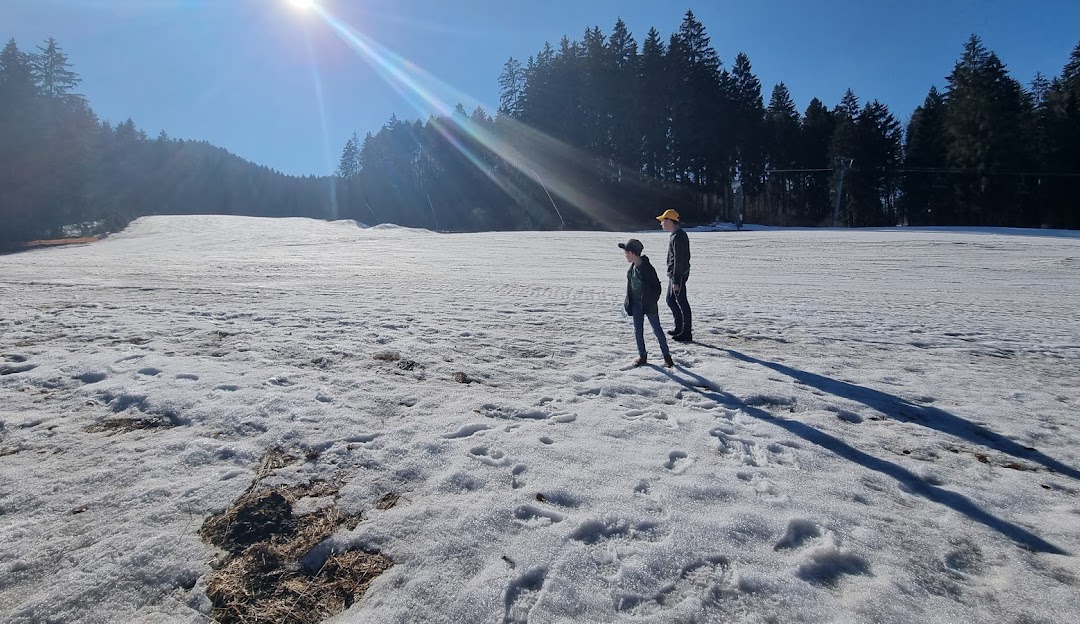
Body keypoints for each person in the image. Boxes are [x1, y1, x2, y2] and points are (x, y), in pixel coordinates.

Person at [619, 238, 674, 368]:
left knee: (657, 330)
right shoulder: (631, 268)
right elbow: (630, 288)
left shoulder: (648, 269)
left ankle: (667, 357)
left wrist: (650, 301)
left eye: (626, 252)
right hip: (636, 304)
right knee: (638, 330)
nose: (625, 255)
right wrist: (628, 303)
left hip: (648, 305)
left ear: (632, 253)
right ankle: (642, 355)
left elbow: (657, 287)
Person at [656, 209, 692, 342]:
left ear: (670, 221)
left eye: (663, 221)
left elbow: (679, 260)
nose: (661, 224)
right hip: (675, 275)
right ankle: (679, 328)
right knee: (670, 300)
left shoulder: (679, 237)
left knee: (682, 302)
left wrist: (676, 281)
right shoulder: (675, 235)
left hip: (679, 276)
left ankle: (686, 332)